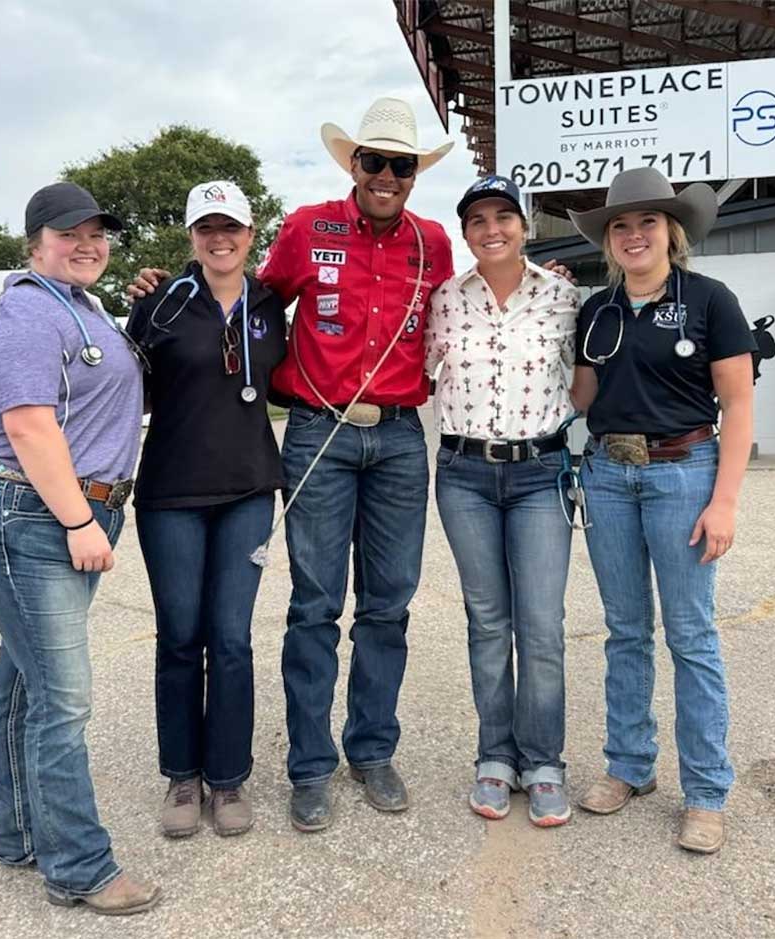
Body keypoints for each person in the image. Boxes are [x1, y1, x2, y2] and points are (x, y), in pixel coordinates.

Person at [129, 97, 455, 831]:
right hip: (319, 432)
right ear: (354, 164)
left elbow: (457, 313)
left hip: (400, 438)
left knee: (388, 604)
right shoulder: (309, 229)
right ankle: (309, 764)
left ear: (413, 175)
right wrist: (161, 286)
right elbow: (245, 299)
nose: (386, 175)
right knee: (314, 605)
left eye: (401, 165)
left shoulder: (434, 243)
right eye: (374, 160)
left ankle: (372, 749)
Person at [0, 182, 161, 913]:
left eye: (97, 233)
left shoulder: (81, 307)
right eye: (70, 233)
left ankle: (18, 833)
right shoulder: (26, 311)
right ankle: (79, 866)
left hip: (57, 512)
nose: (87, 245)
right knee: (63, 699)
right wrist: (77, 520)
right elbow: (28, 425)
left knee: (23, 684)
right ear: (36, 240)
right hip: (30, 514)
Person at [568, 167, 755, 854]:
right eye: (621, 224)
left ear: (671, 231)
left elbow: (739, 403)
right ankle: (629, 765)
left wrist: (724, 501)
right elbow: (581, 398)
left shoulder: (709, 300)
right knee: (624, 631)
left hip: (684, 473)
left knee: (691, 635)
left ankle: (705, 791)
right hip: (608, 476)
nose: (634, 234)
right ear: (608, 239)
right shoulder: (596, 311)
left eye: (647, 221)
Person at [126, 181, 286, 839]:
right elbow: (125, 393)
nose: (220, 239)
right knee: (179, 636)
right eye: (207, 228)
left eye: (231, 228)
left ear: (252, 233)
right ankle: (182, 776)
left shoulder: (270, 303)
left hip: (247, 491)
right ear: (192, 236)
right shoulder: (158, 301)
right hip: (171, 495)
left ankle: (227, 778)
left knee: (231, 638)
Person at [425, 176, 581, 827]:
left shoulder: (564, 298)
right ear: (465, 232)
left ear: (525, 225)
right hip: (463, 474)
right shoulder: (443, 300)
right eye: (478, 220)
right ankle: (495, 756)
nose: (492, 229)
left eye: (504, 217)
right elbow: (416, 370)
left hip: (540, 472)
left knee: (540, 624)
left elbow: (588, 382)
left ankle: (543, 761)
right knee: (488, 621)